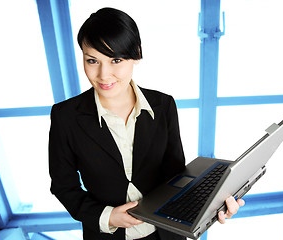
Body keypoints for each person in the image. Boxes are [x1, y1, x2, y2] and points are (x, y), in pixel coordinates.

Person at [49, 7, 244, 240]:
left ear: (137, 54)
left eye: (116, 60)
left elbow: (175, 178)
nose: (103, 74)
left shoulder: (164, 106)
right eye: (92, 60)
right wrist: (107, 216)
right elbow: (63, 186)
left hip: (166, 234)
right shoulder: (66, 116)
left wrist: (212, 205)